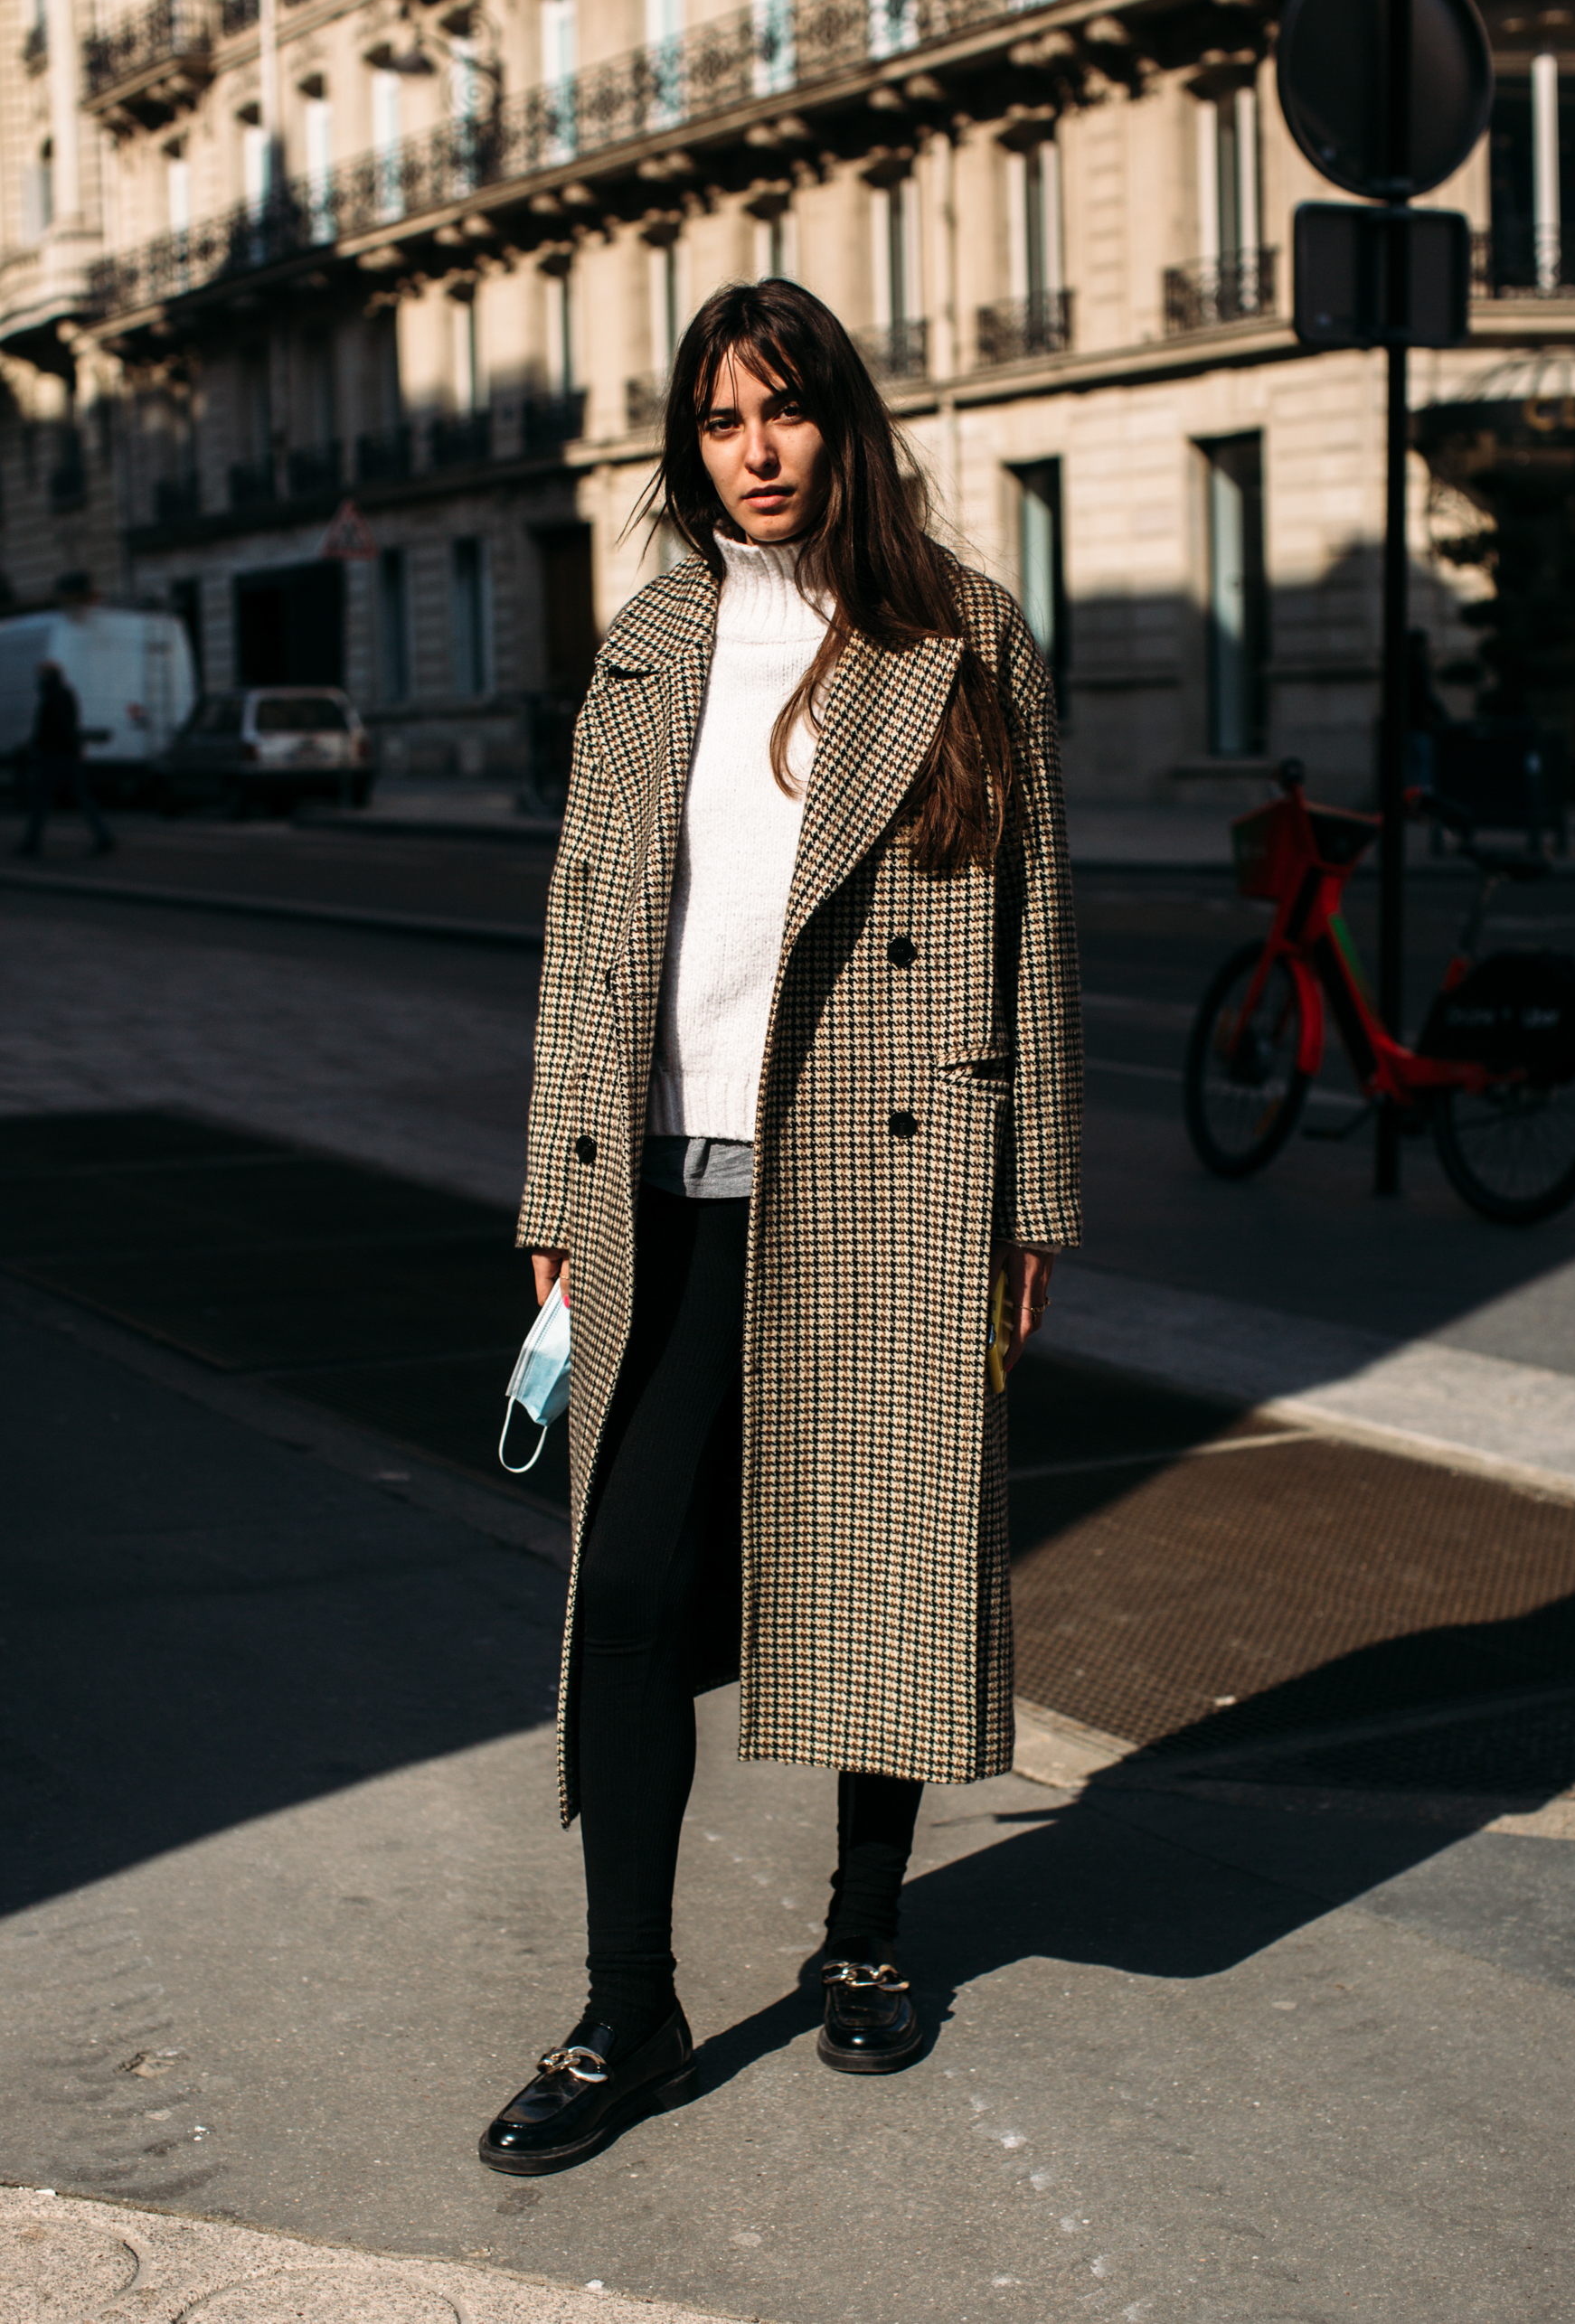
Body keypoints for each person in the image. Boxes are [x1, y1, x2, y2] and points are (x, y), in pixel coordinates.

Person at [480, 278, 1083, 2175]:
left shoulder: (960, 635)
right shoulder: (652, 637)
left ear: (845, 425)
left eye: (786, 413)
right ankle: (627, 2007)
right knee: (633, 1597)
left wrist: (1030, 1201)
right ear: (691, 439)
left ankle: (868, 1931)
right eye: (721, 419)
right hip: (662, 1185)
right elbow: (582, 934)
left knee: (878, 1564)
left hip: (892, 1176)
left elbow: (1038, 935)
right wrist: (554, 1189)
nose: (752, 451)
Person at [15, 661, 115, 856]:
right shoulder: (64, 694)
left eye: (41, 675)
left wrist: (36, 745)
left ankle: (31, 843)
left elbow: (55, 728)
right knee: (80, 796)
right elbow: (69, 725)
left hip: (54, 755)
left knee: (41, 799)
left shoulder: (52, 697)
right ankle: (103, 836)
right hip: (66, 754)